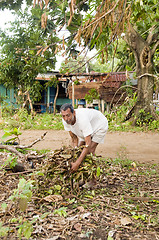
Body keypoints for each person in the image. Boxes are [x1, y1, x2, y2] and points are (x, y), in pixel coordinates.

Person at [60, 103, 108, 172]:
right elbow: (74, 138)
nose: (66, 119)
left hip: (99, 125)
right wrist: (74, 154)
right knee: (79, 151)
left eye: (68, 115)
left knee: (90, 151)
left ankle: (93, 179)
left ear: (73, 113)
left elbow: (88, 144)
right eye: (63, 116)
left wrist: (77, 163)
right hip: (85, 129)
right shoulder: (65, 121)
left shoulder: (82, 119)